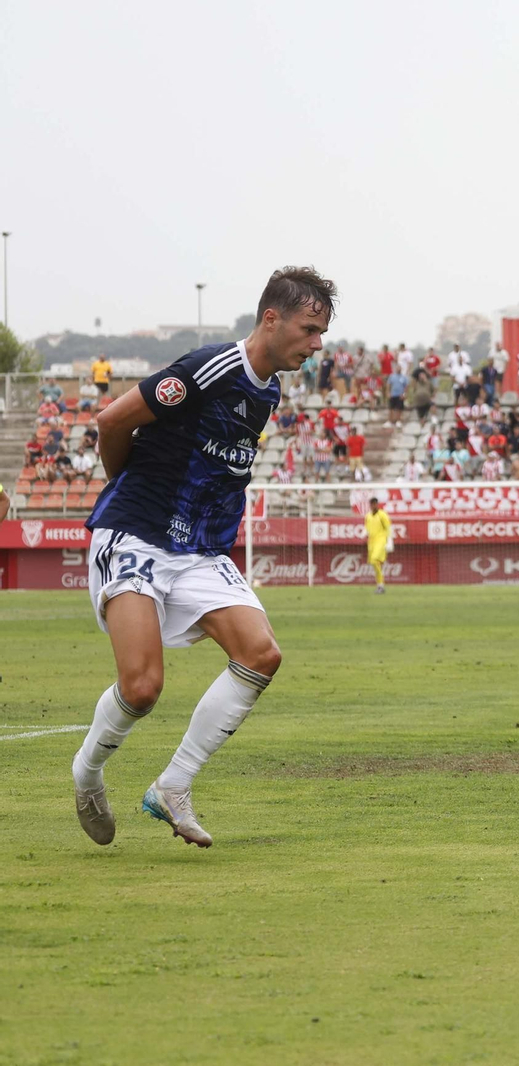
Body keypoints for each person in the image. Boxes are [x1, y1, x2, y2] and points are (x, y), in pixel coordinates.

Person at [74, 265, 335, 849]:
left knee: (261, 654)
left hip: (197, 550)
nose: (317, 344)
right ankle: (87, 775)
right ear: (272, 319)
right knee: (142, 687)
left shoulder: (268, 391)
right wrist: (127, 489)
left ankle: (173, 785)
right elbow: (112, 421)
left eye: (321, 332)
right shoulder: (210, 368)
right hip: (138, 533)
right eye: (310, 328)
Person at [364, 496, 392, 593]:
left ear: (377, 504)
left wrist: (389, 541)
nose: (373, 506)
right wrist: (365, 532)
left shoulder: (382, 515)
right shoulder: (368, 516)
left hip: (381, 540)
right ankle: (380, 585)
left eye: (374, 504)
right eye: (371, 504)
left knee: (374, 560)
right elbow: (367, 527)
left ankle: (381, 585)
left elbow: (388, 528)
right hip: (371, 542)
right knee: (374, 563)